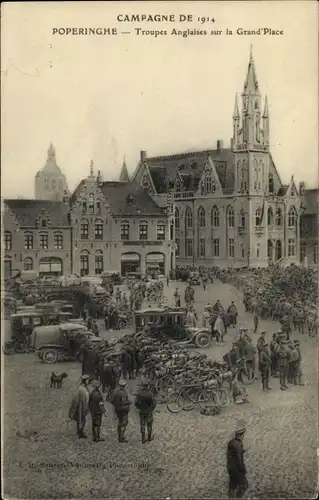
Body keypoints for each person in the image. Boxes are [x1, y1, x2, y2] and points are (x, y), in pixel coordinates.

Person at [226, 420, 248, 499]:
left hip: (230, 467)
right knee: (243, 486)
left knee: (232, 485)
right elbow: (239, 458)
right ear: (242, 435)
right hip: (237, 468)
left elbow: (231, 454)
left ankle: (231, 498)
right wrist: (242, 469)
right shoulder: (238, 444)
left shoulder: (232, 442)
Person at [134, 378, 157, 443]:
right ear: (148, 385)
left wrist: (139, 408)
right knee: (149, 425)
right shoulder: (150, 393)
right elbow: (154, 403)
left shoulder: (139, 394)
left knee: (142, 425)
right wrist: (151, 409)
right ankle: (149, 437)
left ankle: (143, 438)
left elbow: (136, 403)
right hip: (149, 411)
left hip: (142, 411)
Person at [69, 374, 90, 439]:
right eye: (87, 380)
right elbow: (82, 400)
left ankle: (79, 431)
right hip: (81, 407)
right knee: (82, 420)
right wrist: (85, 408)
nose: (88, 381)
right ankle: (80, 433)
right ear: (85, 380)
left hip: (80, 406)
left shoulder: (82, 387)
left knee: (80, 419)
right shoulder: (82, 389)